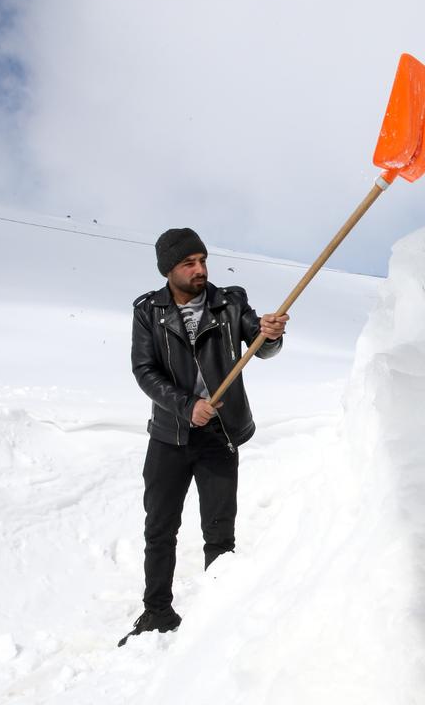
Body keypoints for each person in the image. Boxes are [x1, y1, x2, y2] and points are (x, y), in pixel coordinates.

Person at [120, 227, 287, 645]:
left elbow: (261, 345)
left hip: (218, 435)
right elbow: (144, 370)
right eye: (188, 263)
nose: (200, 269)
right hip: (170, 436)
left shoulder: (229, 302)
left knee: (219, 533)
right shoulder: (148, 311)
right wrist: (185, 405)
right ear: (168, 270)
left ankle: (219, 619)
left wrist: (271, 334)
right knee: (160, 529)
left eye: (203, 260)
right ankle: (157, 612)